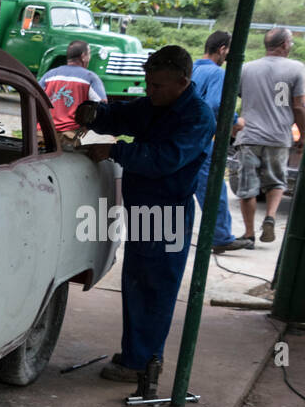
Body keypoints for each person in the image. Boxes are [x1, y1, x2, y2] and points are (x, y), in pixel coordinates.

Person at [75, 45, 216, 384]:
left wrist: (115, 149)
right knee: (137, 282)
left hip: (166, 212)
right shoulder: (155, 104)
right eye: (148, 84)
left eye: (157, 86)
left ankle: (142, 362)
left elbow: (164, 159)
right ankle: (138, 353)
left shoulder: (196, 116)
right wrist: (94, 113)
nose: (149, 92)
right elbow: (122, 114)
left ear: (183, 82)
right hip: (143, 208)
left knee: (154, 287)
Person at [234, 27, 305, 244]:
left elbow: (238, 96)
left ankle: (249, 235)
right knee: (276, 181)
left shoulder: (247, 68)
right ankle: (270, 217)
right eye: (291, 42)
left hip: (249, 136)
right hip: (278, 137)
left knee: (247, 187)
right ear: (284, 44)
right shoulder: (295, 68)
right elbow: (297, 105)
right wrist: (303, 134)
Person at [192, 31, 248, 251]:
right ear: (222, 49)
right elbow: (216, 104)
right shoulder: (217, 73)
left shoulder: (193, 70)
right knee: (214, 189)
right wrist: (235, 120)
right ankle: (221, 237)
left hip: (183, 139)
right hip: (203, 140)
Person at [39, 40, 107, 133]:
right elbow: (102, 104)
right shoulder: (90, 78)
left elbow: (35, 97)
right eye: (89, 54)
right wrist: (88, 126)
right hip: (69, 134)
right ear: (83, 56)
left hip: (43, 132)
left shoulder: (49, 75)